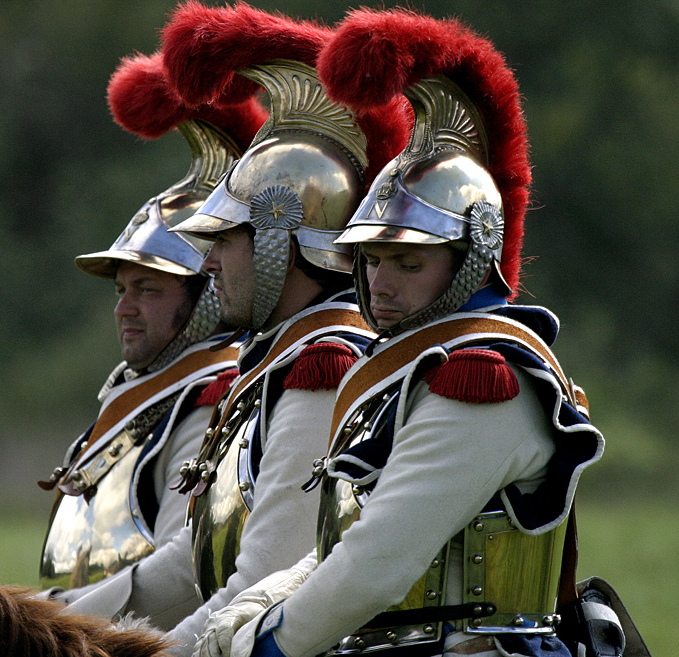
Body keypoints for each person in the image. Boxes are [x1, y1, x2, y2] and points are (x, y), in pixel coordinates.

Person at [192, 10, 613, 657]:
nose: (381, 283)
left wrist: (259, 647)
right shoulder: (411, 372)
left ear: (472, 257)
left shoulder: (482, 381)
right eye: (373, 259)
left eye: (409, 262)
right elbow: (340, 550)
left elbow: (375, 565)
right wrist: (246, 615)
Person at [58, 3, 408, 655]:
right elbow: (207, 567)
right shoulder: (281, 365)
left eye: (226, 240)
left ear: (280, 239)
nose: (209, 261)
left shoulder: (320, 366)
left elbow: (261, 585)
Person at [36, 51, 267, 593]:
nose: (125, 307)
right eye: (121, 289)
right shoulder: (140, 401)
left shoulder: (203, 404)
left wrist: (52, 621)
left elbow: (182, 572)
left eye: (147, 288)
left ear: (206, 293)